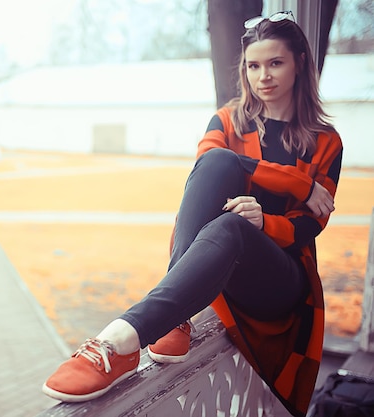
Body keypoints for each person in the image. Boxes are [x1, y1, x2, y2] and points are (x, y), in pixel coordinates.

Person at [42, 10, 343, 417]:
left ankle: (120, 340)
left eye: (276, 63)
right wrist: (298, 184)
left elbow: (311, 225)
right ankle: (166, 320)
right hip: (221, 255)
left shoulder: (326, 141)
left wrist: (264, 222)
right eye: (253, 65)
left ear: (300, 63)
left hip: (282, 279)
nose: (263, 76)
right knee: (219, 164)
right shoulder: (228, 120)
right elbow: (208, 167)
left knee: (234, 224)